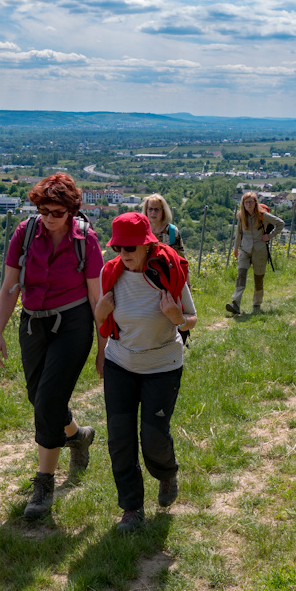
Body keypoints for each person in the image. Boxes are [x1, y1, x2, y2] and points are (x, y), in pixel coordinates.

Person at [0, 173, 104, 520]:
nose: (49, 217)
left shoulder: (87, 240)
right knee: (38, 397)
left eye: (57, 211)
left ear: (71, 210)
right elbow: (10, 286)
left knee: (49, 399)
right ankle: (78, 435)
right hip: (33, 323)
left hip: (73, 324)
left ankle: (44, 484)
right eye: (43, 210)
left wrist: (103, 348)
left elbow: (97, 297)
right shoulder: (24, 235)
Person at [94, 213, 197, 534]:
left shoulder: (168, 271)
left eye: (130, 246)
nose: (123, 252)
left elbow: (191, 319)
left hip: (162, 366)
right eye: (118, 247)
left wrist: (175, 315)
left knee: (153, 436)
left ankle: (166, 474)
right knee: (119, 438)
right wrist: (100, 313)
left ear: (147, 245)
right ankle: (131, 508)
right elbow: (101, 321)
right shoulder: (110, 274)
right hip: (120, 364)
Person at [226, 192, 285, 314]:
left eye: (251, 202)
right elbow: (239, 233)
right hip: (244, 249)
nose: (248, 204)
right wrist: (236, 248)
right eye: (246, 202)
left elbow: (280, 224)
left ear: (255, 203)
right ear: (243, 204)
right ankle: (235, 303)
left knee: (258, 277)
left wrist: (269, 236)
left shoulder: (263, 215)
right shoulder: (241, 216)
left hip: (259, 250)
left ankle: (257, 304)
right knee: (241, 275)